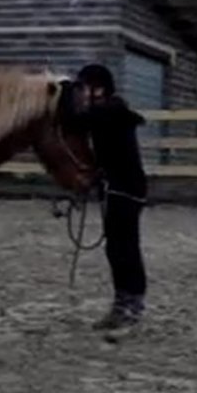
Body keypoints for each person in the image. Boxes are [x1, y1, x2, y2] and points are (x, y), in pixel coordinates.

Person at [75, 63, 148, 332]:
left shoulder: (109, 111)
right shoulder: (107, 112)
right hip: (117, 187)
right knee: (115, 247)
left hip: (126, 189)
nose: (82, 94)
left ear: (99, 89)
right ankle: (122, 304)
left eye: (84, 87)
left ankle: (134, 305)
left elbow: (78, 119)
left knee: (126, 247)